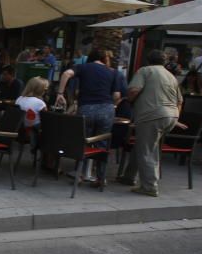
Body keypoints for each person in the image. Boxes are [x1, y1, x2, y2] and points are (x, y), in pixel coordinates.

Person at [117, 50, 183, 196]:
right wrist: (175, 117)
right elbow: (179, 101)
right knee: (143, 145)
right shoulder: (171, 76)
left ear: (148, 60)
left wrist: (128, 100)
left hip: (152, 115)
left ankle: (149, 186)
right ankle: (129, 176)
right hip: (171, 115)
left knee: (147, 150)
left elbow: (134, 90)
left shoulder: (145, 70)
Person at [55, 49, 120, 185]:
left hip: (87, 108)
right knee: (102, 144)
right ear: (104, 59)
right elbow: (116, 96)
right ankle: (101, 178)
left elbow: (67, 73)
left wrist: (60, 93)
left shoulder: (83, 67)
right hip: (106, 109)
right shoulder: (113, 72)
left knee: (83, 141)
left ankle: (79, 175)